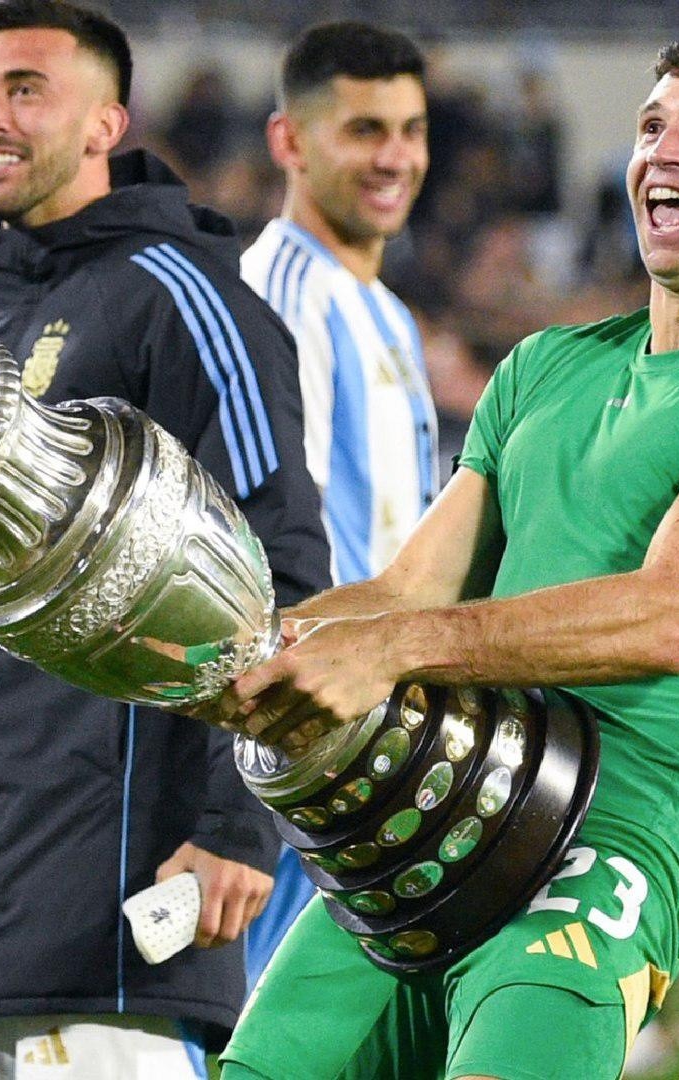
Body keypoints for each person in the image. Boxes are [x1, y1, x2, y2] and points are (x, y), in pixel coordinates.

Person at [205, 39, 679, 1080]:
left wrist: (392, 651)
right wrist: (231, 650)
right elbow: (405, 589)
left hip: (616, 840)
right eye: (652, 124)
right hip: (438, 801)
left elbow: (671, 614)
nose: (663, 148)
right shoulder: (544, 366)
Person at [0, 3, 330, 1078]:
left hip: (127, 888)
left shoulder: (187, 300)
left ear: (106, 122)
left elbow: (278, 568)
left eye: (25, 90)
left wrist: (236, 824)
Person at [236, 21, 437, 989]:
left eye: (410, 129)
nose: (394, 156)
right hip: (315, 760)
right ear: (289, 142)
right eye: (364, 130)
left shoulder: (381, 308)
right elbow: (259, 550)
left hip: (386, 747)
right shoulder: (277, 299)